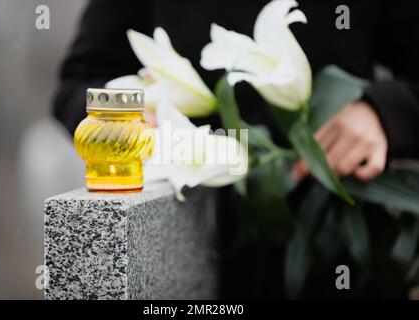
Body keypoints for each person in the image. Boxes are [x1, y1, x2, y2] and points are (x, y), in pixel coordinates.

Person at [53, 0, 419, 298]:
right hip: (191, 251)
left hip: (335, 252)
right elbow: (80, 81)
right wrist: (125, 120)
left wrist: (385, 112)